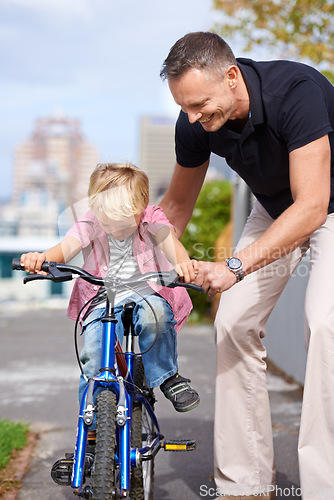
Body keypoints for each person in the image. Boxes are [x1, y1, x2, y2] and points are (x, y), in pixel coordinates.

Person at [159, 31, 334, 500]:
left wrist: (233, 267)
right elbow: (174, 210)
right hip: (274, 208)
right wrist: (142, 263)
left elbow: (313, 206)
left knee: (324, 325)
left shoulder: (295, 93)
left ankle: (324, 489)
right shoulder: (195, 121)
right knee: (233, 322)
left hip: (326, 207)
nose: (194, 118)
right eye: (185, 108)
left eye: (200, 105)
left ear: (232, 76)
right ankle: (245, 485)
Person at [20, 163, 200, 427]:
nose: (114, 227)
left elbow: (169, 241)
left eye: (123, 220)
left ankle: (166, 376)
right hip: (101, 296)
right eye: (107, 219)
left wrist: (181, 263)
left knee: (158, 316)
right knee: (93, 357)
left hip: (145, 290)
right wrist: (41, 259)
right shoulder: (91, 221)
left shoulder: (152, 217)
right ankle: (91, 428)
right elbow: (65, 248)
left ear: (141, 208)